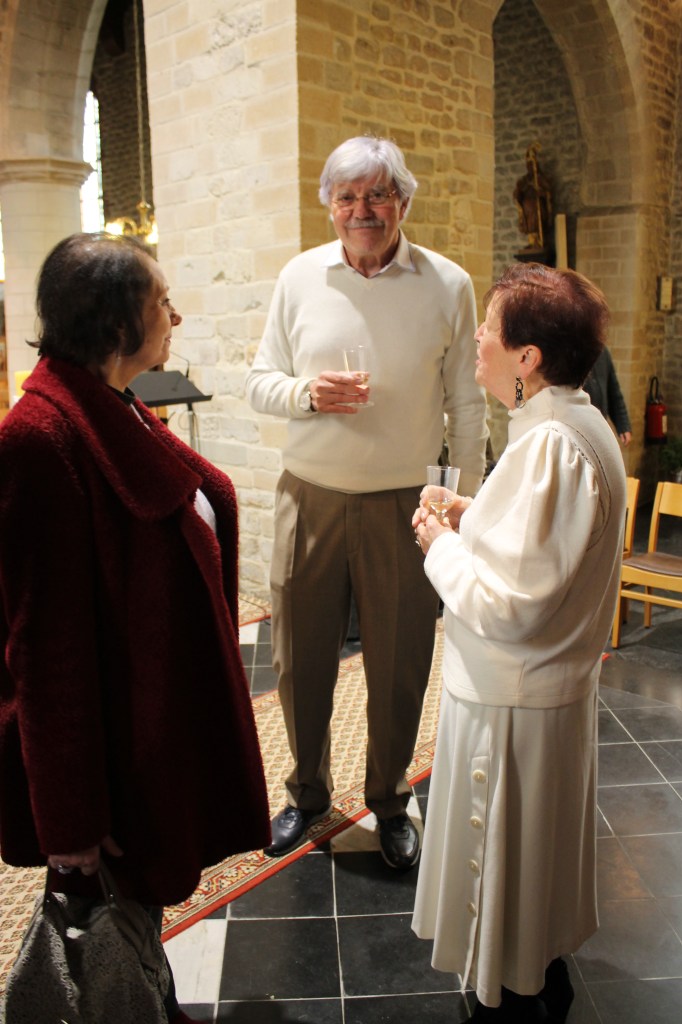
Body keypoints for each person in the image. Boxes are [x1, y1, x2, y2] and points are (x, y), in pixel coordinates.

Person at [0, 233, 271, 1024]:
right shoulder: (39, 438)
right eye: (162, 303)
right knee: (105, 920)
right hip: (105, 748)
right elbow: (44, 650)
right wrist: (71, 824)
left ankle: (152, 1000)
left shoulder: (110, 401)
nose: (175, 317)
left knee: (139, 907)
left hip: (147, 725)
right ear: (117, 319)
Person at [246, 136, 488, 870]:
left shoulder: (447, 284)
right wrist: (306, 393)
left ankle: (388, 799)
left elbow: (467, 404)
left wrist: (461, 503)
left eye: (377, 194)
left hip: (404, 505)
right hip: (309, 497)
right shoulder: (299, 277)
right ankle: (307, 792)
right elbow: (259, 381)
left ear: (402, 202)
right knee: (300, 659)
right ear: (329, 206)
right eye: (347, 197)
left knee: (399, 661)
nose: (362, 210)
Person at [411, 263, 626, 1022]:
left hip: (512, 706)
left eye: (490, 325)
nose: (477, 336)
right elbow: (538, 548)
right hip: (539, 695)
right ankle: (538, 973)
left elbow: (509, 606)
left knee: (501, 877)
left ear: (526, 357)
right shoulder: (573, 423)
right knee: (532, 877)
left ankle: (508, 1000)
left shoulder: (550, 447)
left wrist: (438, 543)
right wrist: (474, 514)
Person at [583, 346, 632, 445]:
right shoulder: (569, 351)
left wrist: (623, 425)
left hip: (600, 425)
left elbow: (613, 390)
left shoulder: (602, 352)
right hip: (580, 426)